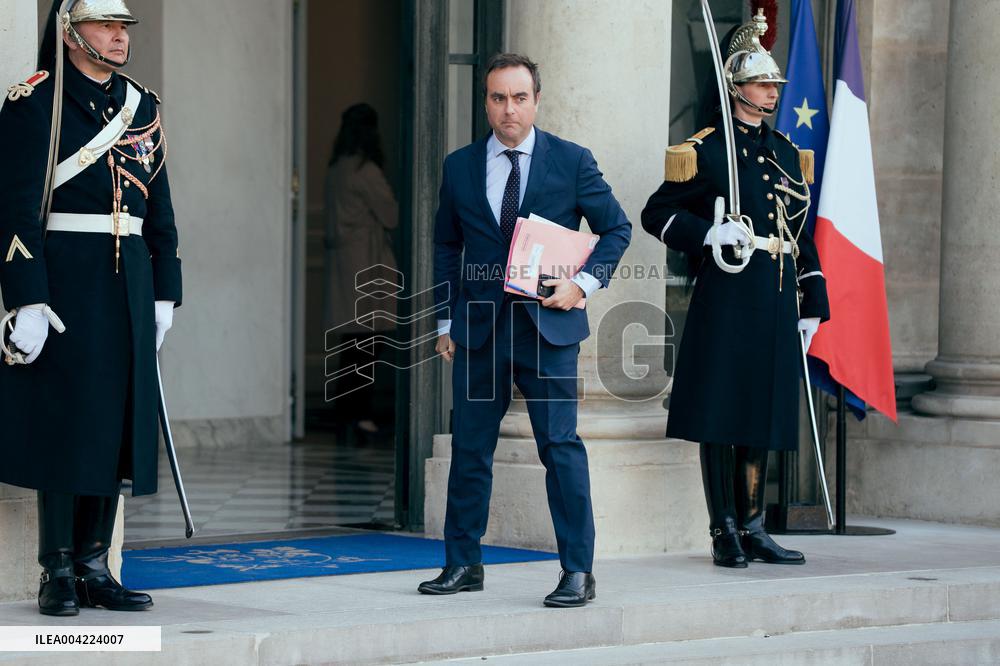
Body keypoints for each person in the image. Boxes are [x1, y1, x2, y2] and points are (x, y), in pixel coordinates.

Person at [419, 53, 631, 607]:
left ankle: (578, 571)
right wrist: (446, 320)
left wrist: (581, 285)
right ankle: (463, 563)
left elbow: (616, 229)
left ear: (536, 101)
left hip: (548, 329)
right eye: (498, 98)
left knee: (559, 447)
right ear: (485, 103)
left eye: (519, 97)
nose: (508, 109)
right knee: (470, 448)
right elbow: (447, 244)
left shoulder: (572, 160)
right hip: (479, 332)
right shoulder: (460, 166)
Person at [0, 0, 181, 615]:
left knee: (114, 421)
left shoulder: (141, 105)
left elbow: (159, 205)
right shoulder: (35, 101)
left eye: (123, 26)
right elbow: (15, 208)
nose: (119, 35)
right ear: (71, 32)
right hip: (66, 280)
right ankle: (56, 568)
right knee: (65, 422)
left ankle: (94, 565)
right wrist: (26, 296)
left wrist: (166, 289)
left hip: (129, 278)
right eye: (106, 25)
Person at [640, 11, 829, 568]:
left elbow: (799, 232)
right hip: (727, 295)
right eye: (762, 82)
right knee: (722, 413)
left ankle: (754, 526)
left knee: (761, 412)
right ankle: (723, 528)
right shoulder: (704, 150)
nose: (772, 91)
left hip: (775, 294)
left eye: (774, 84)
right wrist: (708, 234)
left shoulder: (787, 152)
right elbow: (656, 213)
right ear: (736, 88)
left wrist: (813, 300)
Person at [323, 103, 398, 436]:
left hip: (343, 264)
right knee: (368, 342)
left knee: (351, 344)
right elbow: (391, 215)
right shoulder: (366, 171)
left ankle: (346, 413)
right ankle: (359, 413)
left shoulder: (336, 168)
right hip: (368, 264)